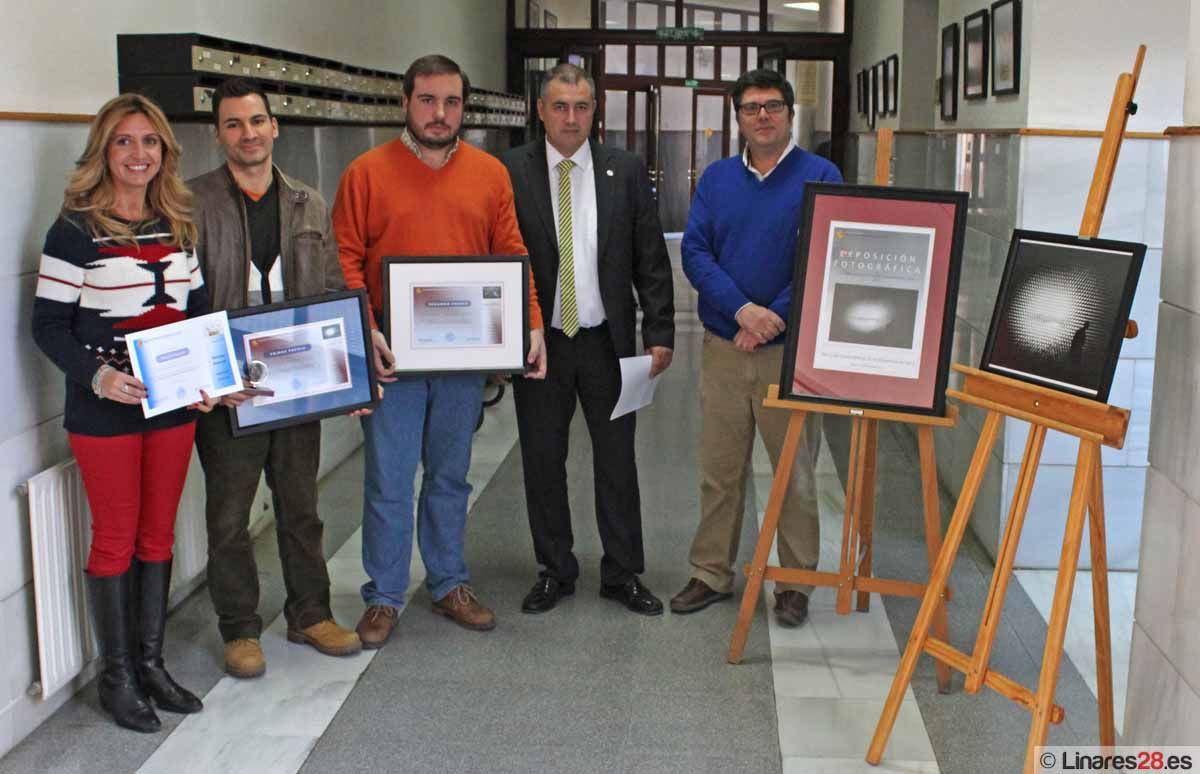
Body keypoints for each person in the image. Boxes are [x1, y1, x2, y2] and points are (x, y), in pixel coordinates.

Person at [333, 54, 547, 648]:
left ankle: (450, 581)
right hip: (394, 360)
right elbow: (346, 258)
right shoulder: (366, 173)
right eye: (427, 100)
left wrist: (530, 323)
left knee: (452, 476)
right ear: (406, 103)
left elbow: (511, 253)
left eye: (451, 102)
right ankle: (383, 595)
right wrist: (365, 328)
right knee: (389, 479)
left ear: (464, 107)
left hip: (461, 359)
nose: (439, 112)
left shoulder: (488, 174)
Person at [32, 93, 213, 732]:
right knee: (115, 536)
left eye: (150, 142)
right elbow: (48, 326)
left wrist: (207, 379)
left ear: (166, 151)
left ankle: (151, 665)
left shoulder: (180, 224)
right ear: (103, 152)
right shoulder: (74, 231)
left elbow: (194, 314)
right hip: (104, 408)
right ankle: (117, 677)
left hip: (171, 404)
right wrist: (99, 376)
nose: (138, 155)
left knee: (157, 533)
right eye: (124, 142)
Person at [188, 78, 362, 679]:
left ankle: (310, 612)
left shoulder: (307, 203)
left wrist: (351, 378)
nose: (248, 133)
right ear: (219, 134)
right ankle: (238, 628)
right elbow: (185, 307)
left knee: (301, 507)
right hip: (230, 393)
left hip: (297, 385)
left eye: (257, 121)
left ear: (275, 126)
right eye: (234, 124)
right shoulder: (192, 205)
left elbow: (336, 291)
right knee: (229, 518)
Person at [499, 64, 674, 616]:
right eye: (559, 106)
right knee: (543, 460)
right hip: (542, 345)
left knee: (617, 460)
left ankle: (622, 573)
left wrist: (660, 331)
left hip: (608, 342)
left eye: (581, 107)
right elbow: (497, 258)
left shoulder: (623, 170)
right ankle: (555, 568)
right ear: (540, 110)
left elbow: (651, 256)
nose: (570, 117)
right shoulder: (509, 172)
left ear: (594, 111)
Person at [672, 69, 843, 628]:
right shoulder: (719, 178)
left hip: (787, 352)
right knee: (720, 470)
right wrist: (742, 310)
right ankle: (711, 571)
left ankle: (796, 583)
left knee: (793, 472)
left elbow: (826, 255)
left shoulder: (821, 175)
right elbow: (696, 251)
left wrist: (773, 318)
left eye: (772, 106)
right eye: (750, 108)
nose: (762, 116)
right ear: (738, 118)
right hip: (725, 345)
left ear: (791, 113)